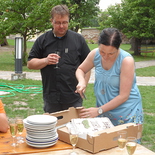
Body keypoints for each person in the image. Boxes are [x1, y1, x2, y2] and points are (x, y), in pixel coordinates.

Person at [27, 5, 90, 113]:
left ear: (69, 21)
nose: (61, 26)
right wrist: (45, 61)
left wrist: (83, 84)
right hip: (51, 97)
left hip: (73, 97)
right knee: (52, 128)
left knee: (73, 128)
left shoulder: (78, 39)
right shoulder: (42, 40)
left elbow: (88, 66)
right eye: (58, 22)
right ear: (52, 21)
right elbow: (30, 64)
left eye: (64, 22)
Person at [75, 28, 143, 126]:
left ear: (118, 48)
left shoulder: (126, 61)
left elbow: (123, 96)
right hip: (104, 110)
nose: (105, 56)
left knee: (123, 141)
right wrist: (82, 81)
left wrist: (99, 110)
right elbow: (80, 69)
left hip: (126, 112)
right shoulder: (95, 54)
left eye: (111, 53)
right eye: (102, 52)